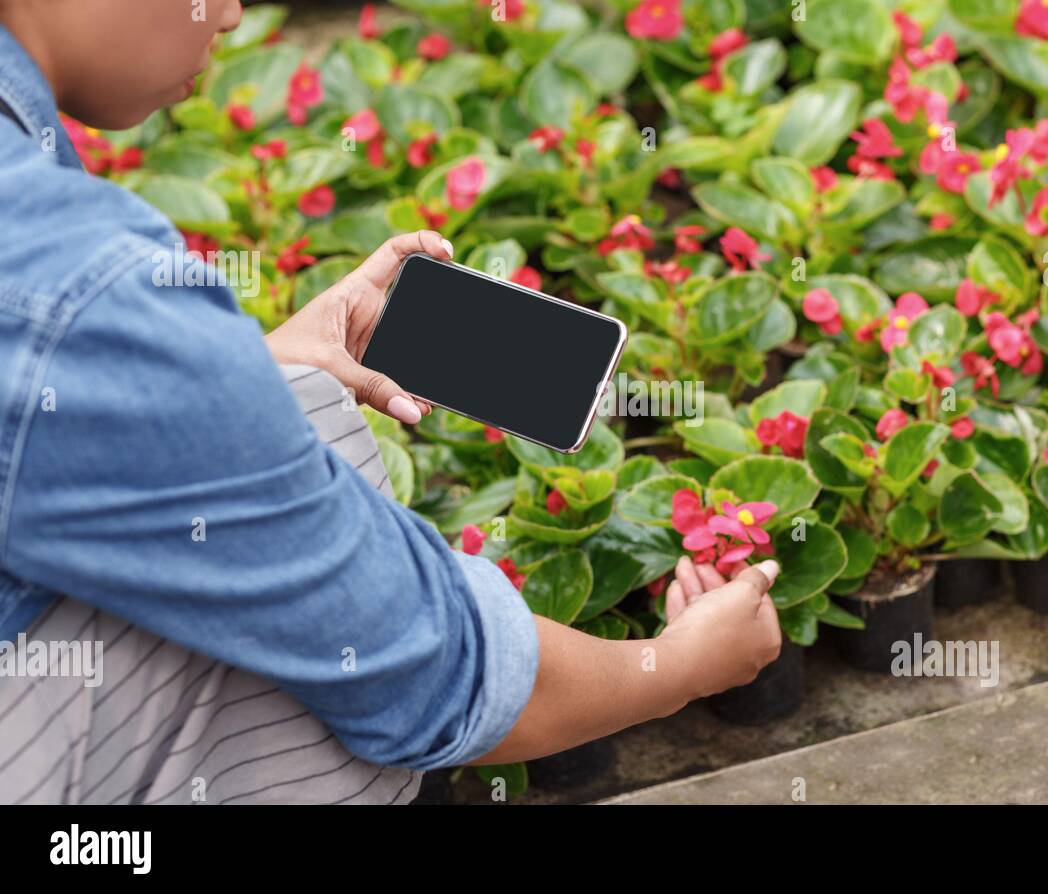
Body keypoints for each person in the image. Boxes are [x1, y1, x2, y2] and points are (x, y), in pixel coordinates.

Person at [0, 0, 781, 804]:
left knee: (295, 407)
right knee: (292, 641)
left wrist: (241, 375)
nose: (229, 15)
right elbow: (421, 668)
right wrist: (678, 666)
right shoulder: (77, 283)